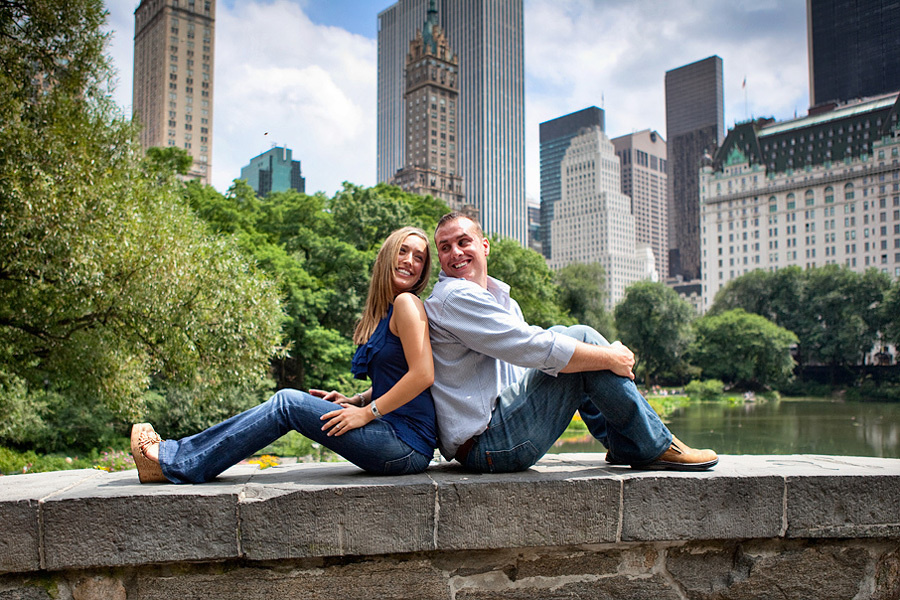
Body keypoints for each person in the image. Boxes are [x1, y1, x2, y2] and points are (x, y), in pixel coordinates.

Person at [130, 226, 437, 483]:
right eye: (403, 251)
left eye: (419, 257)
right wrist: (356, 400)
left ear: (424, 269)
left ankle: (178, 461)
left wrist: (366, 413)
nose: (410, 261)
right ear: (387, 256)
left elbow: (422, 374)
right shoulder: (387, 311)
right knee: (287, 402)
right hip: (390, 433)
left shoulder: (408, 303)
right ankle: (179, 458)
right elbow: (396, 374)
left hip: (405, 444)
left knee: (287, 403)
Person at [424, 212, 718, 473]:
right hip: (489, 445)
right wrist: (610, 357)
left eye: (464, 242)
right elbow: (532, 347)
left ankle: (623, 443)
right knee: (580, 338)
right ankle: (655, 444)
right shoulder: (454, 297)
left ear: (484, 246)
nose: (456, 253)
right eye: (445, 247)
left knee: (564, 334)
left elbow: (533, 355)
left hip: (500, 430)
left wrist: (594, 357)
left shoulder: (500, 300)